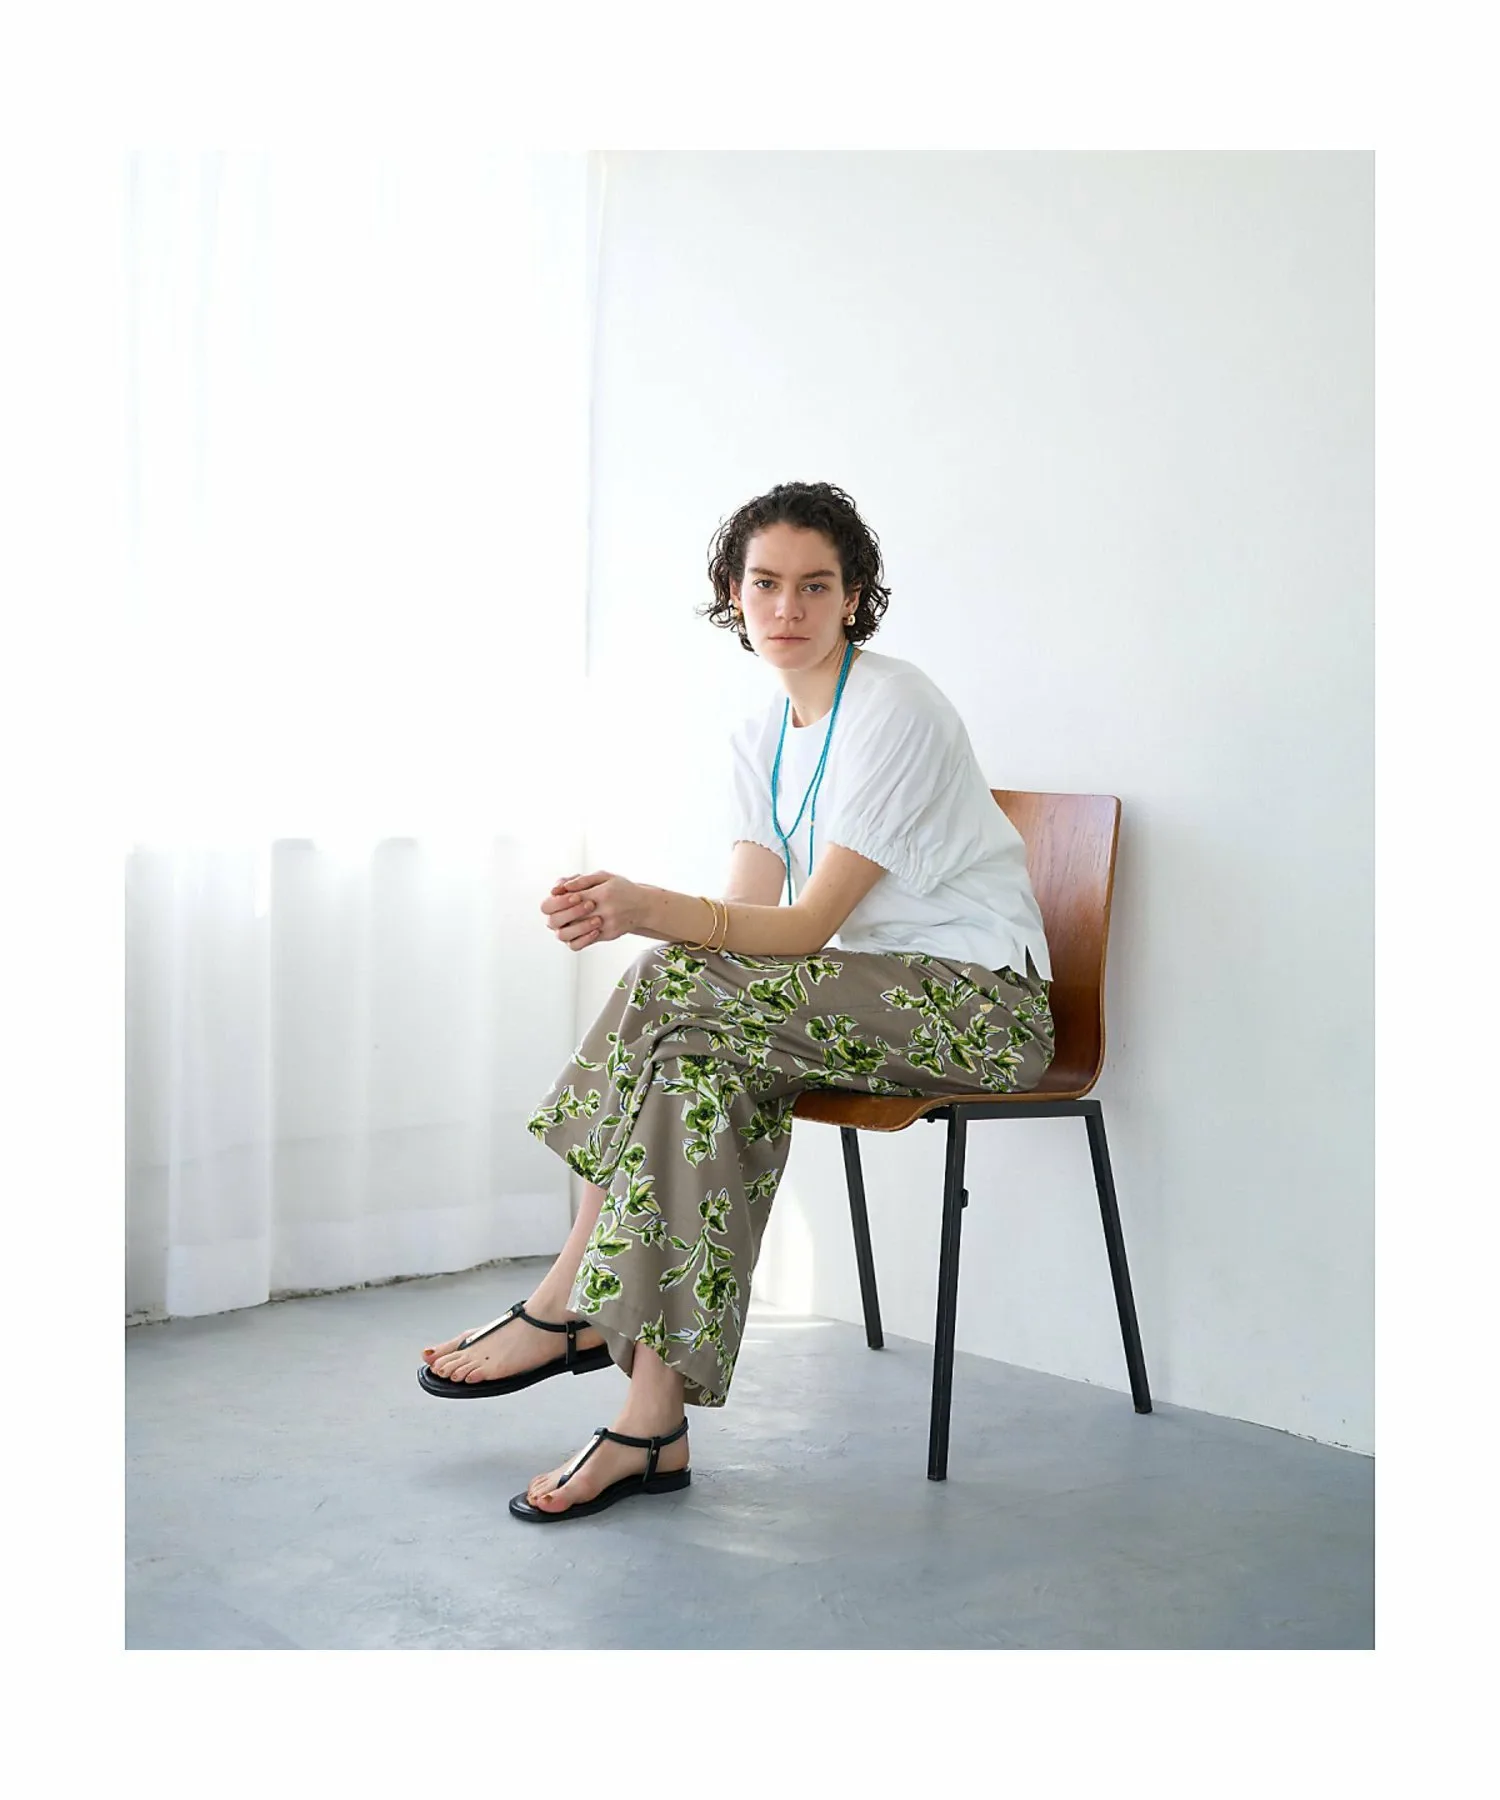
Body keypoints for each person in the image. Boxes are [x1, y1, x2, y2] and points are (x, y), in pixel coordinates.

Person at [418, 480, 1056, 1523]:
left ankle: (567, 1295)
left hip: (981, 1011)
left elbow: (802, 931)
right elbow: (748, 916)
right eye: (766, 583)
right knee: (691, 1061)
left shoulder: (896, 707)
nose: (787, 608)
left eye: (816, 586)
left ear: (856, 598)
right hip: (862, 1003)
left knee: (671, 979)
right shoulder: (760, 734)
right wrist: (652, 916)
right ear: (733, 593)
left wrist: (642, 909)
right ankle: (651, 1425)